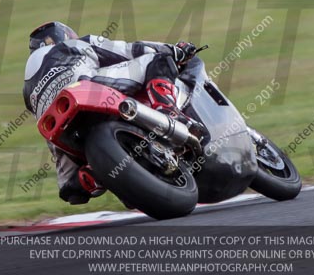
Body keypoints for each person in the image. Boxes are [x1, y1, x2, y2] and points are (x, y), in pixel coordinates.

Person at [23, 21, 197, 204]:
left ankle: (85, 179)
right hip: (84, 88)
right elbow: (131, 50)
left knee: (69, 185)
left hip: (58, 126)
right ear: (64, 36)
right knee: (158, 60)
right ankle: (168, 111)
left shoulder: (27, 88)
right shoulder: (75, 44)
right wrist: (175, 51)